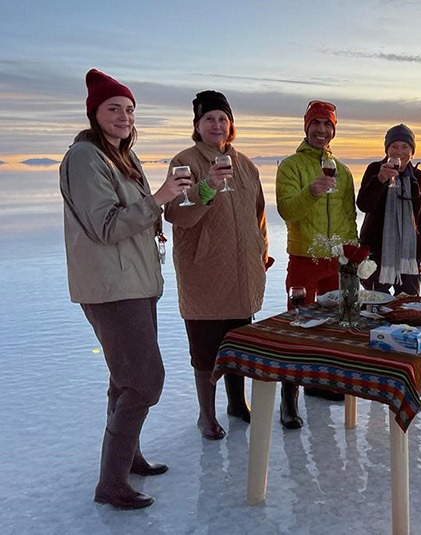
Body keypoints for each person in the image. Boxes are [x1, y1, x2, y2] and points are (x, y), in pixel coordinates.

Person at [60, 69, 192, 509]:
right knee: (145, 382)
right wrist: (160, 197)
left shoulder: (122, 157)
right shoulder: (84, 157)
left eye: (130, 109)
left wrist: (161, 204)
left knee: (125, 378)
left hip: (135, 282)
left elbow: (135, 218)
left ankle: (128, 459)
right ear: (94, 113)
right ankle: (111, 483)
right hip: (111, 287)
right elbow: (106, 225)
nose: (124, 116)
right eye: (113, 108)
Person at [164, 90, 271, 440]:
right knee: (206, 351)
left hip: (242, 270)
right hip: (204, 271)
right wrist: (207, 186)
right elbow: (177, 215)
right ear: (197, 125)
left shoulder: (247, 165)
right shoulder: (185, 162)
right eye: (208, 118)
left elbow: (259, 216)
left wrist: (262, 251)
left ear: (231, 125)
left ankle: (237, 403)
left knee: (238, 343)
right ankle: (206, 415)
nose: (216, 124)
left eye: (222, 118)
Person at [275, 100, 357, 428]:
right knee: (298, 328)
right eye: (316, 123)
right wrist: (311, 191)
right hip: (304, 259)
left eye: (327, 124)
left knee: (331, 326)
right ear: (306, 127)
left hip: (335, 262)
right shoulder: (291, 166)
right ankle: (288, 399)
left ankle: (319, 383)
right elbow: (287, 211)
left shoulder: (344, 171)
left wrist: (351, 258)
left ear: (334, 129)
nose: (321, 130)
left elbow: (349, 217)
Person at [356, 124, 421, 295]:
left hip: (409, 255)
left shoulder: (419, 178)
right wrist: (380, 179)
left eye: (405, 146)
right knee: (375, 305)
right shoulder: (375, 169)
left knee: (409, 306)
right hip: (376, 253)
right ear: (387, 150)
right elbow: (363, 205)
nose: (399, 151)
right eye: (394, 146)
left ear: (412, 152)